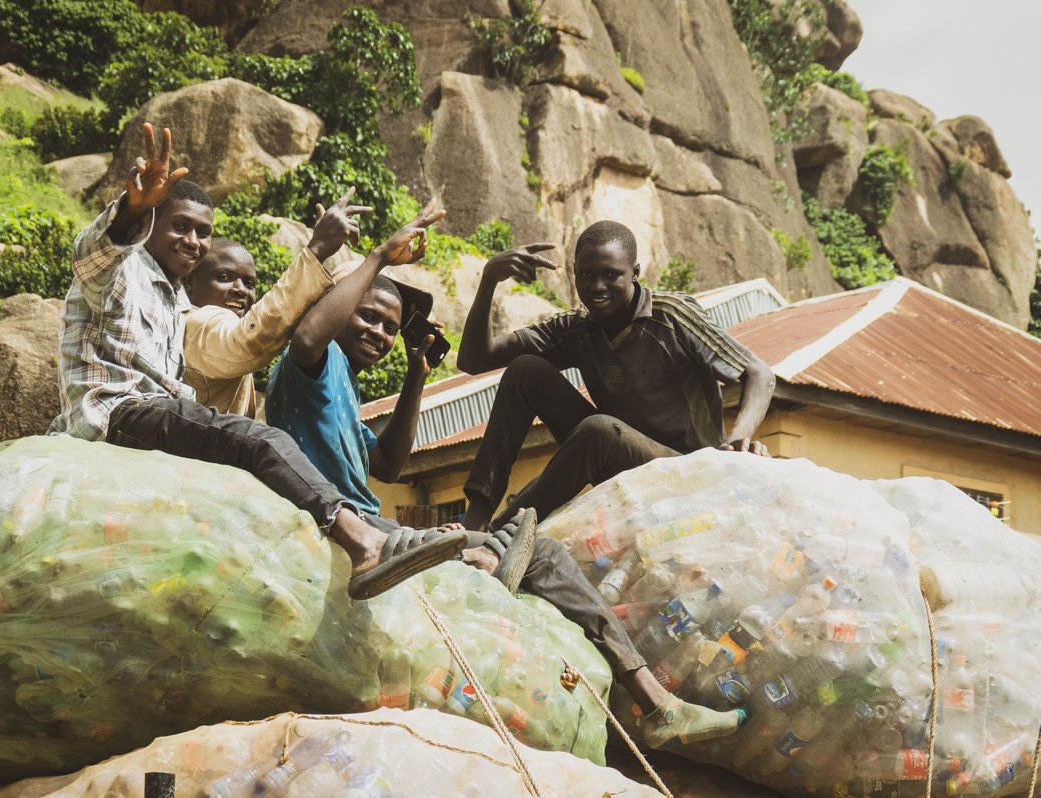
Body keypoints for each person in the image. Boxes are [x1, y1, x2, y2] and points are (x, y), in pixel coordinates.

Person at [263, 259, 747, 748]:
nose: (379, 333)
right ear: (335, 310)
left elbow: (387, 465)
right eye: (367, 317)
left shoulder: (344, 391)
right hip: (354, 522)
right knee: (544, 548)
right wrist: (386, 255)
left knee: (542, 543)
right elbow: (308, 340)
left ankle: (495, 545)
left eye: (389, 327)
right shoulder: (312, 366)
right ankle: (651, 697)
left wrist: (416, 372)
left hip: (680, 465)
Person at [48, 122, 467, 600]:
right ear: (150, 225)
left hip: (148, 420)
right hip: (114, 416)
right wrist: (131, 211)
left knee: (244, 453)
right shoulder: (124, 270)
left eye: (203, 232)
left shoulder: (173, 303)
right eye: (179, 225)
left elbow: (386, 463)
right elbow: (94, 254)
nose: (192, 240)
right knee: (257, 442)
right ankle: (363, 542)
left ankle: (470, 553)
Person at [456, 220, 776, 534]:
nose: (597, 287)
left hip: (686, 473)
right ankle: (476, 522)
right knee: (525, 370)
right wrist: (489, 280)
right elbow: (474, 360)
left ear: (635, 273)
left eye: (611, 275)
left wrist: (740, 434)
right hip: (619, 461)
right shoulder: (578, 327)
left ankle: (503, 532)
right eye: (586, 275)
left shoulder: (671, 315)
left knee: (599, 430)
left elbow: (760, 373)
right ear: (574, 273)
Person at [181, 188, 365, 419]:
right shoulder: (198, 323)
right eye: (224, 277)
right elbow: (251, 338)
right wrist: (318, 248)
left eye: (249, 283)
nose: (240, 290)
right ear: (189, 283)